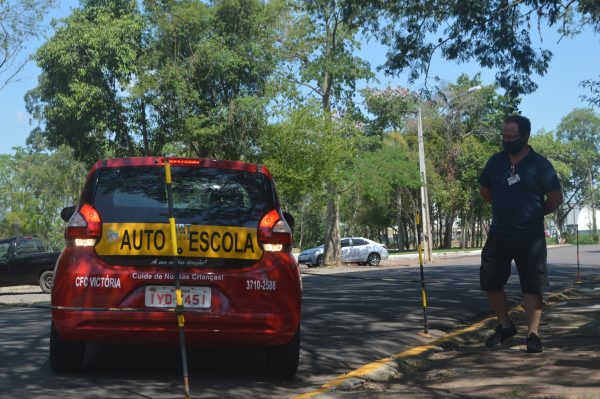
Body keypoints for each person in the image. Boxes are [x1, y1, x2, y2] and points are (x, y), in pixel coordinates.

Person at [478, 114, 563, 353]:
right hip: (499, 233)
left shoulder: (540, 165)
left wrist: (533, 214)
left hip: (530, 236)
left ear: (525, 136)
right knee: (490, 280)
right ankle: (504, 325)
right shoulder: (495, 162)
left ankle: (533, 334)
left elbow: (555, 199)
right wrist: (504, 208)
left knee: (532, 285)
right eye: (503, 136)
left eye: (511, 136)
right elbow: (485, 190)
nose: (506, 140)